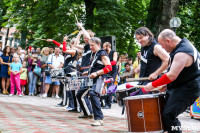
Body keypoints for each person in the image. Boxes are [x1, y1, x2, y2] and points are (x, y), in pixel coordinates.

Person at [144, 29, 200, 133]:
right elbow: (181, 72)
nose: (162, 48)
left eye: (162, 44)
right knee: (163, 112)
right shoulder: (182, 45)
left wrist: (153, 84)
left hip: (189, 88)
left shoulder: (183, 52)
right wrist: (166, 84)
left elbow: (172, 75)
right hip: (182, 86)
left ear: (168, 40)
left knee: (169, 115)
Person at [77, 37, 112, 126]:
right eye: (90, 45)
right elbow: (96, 66)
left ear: (99, 45)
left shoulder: (102, 53)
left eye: (92, 45)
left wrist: (96, 73)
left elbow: (109, 67)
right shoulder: (94, 54)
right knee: (80, 94)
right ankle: (87, 113)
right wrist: (88, 71)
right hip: (91, 78)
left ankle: (99, 119)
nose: (90, 47)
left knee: (93, 93)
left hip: (99, 78)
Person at [135, 27, 169, 94]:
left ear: (147, 35)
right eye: (137, 39)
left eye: (141, 38)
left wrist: (156, 73)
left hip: (152, 83)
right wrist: (139, 67)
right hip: (143, 81)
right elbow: (146, 61)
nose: (139, 41)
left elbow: (168, 60)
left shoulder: (156, 47)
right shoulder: (143, 47)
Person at [102, 42, 118, 109]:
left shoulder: (114, 52)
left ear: (108, 46)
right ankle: (104, 103)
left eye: (104, 47)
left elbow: (114, 62)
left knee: (110, 87)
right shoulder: (104, 53)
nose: (103, 48)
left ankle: (108, 104)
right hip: (106, 71)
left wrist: (106, 63)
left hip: (113, 72)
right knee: (103, 87)